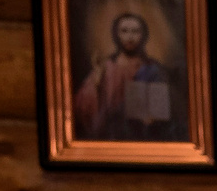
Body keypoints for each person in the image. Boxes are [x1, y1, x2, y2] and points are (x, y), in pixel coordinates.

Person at [74, 11, 178, 141]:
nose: (130, 37)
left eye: (135, 31)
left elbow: (166, 112)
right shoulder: (106, 68)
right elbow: (83, 109)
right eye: (124, 31)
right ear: (116, 35)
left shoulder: (153, 69)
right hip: (110, 138)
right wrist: (96, 82)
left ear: (143, 35)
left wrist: (153, 117)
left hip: (143, 138)